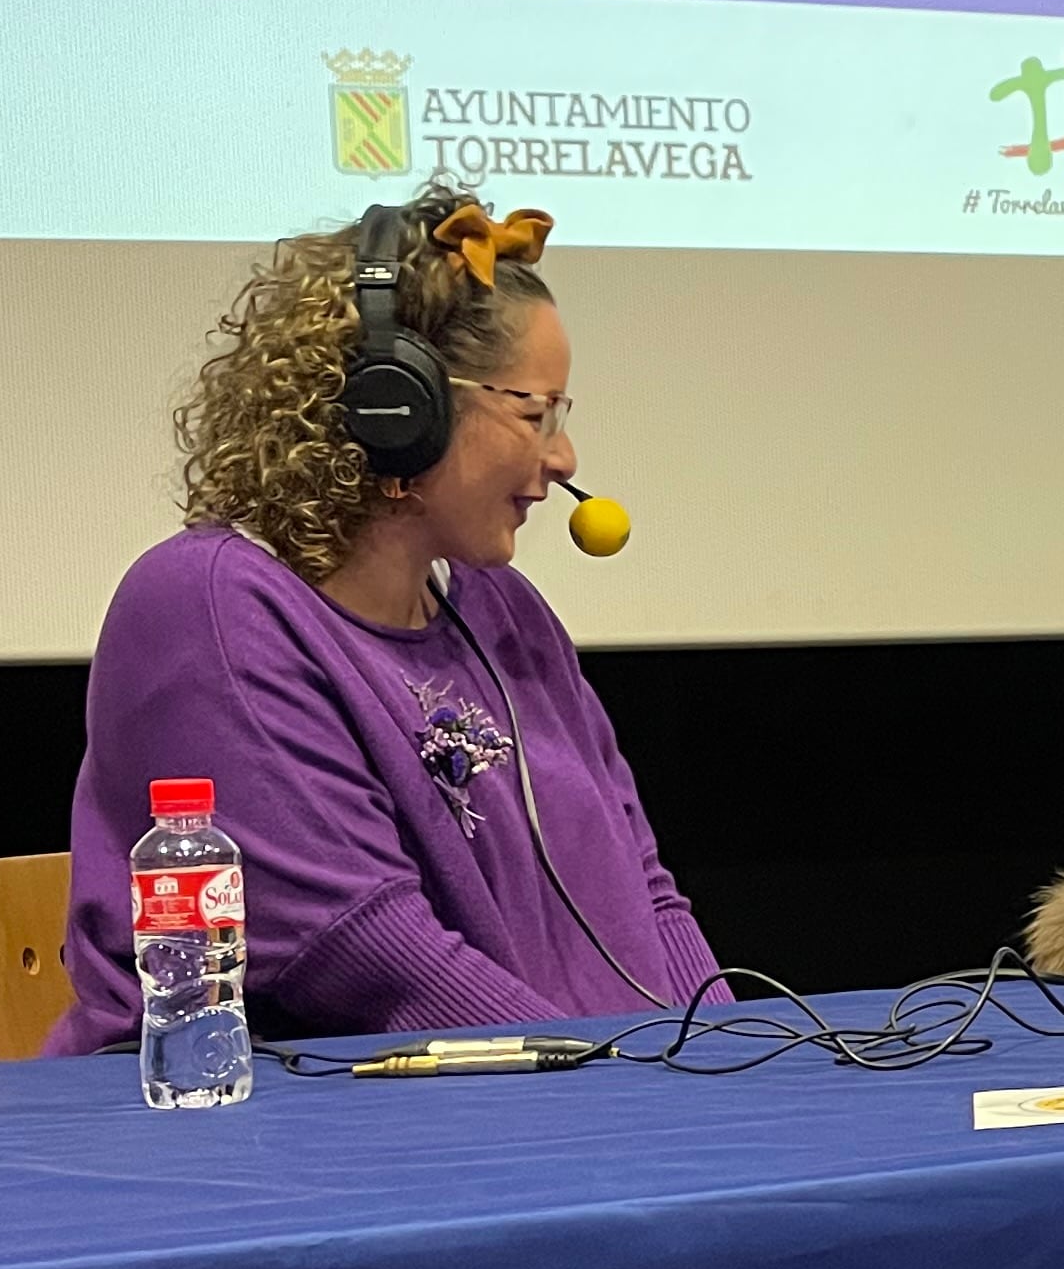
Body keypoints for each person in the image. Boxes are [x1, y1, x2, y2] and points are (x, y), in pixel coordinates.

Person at [43, 186, 723, 1050]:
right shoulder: (209, 604)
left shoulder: (502, 612)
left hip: (566, 1098)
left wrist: (729, 1064)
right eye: (533, 412)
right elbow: (365, 953)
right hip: (306, 1139)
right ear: (401, 408)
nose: (562, 459)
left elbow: (643, 889)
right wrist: (617, 1088)